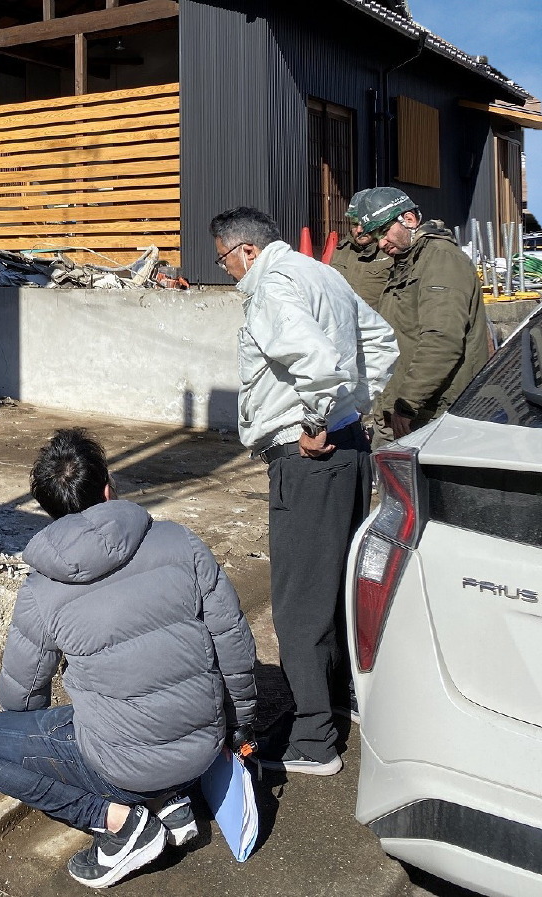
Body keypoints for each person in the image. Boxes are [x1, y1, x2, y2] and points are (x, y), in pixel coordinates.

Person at [0, 428, 257, 889]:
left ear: (50, 511)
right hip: (203, 748)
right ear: (107, 488)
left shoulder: (41, 589)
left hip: (122, 768)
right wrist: (240, 726)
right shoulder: (181, 542)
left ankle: (119, 823)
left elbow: (21, 700)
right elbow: (233, 644)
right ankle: (170, 800)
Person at [210, 207, 397, 776]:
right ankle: (343, 697)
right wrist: (351, 410)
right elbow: (383, 343)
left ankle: (314, 738)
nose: (227, 272)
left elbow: (313, 359)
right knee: (338, 581)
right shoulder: (325, 275)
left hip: (309, 455)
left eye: (223, 260)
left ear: (244, 250)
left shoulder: (273, 284)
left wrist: (317, 418)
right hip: (348, 451)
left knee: (297, 602)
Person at [352, 187, 489, 440]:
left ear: (410, 219)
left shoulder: (440, 260)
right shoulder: (409, 261)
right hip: (404, 408)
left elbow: (442, 340)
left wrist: (408, 403)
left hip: (432, 414)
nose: (381, 244)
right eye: (375, 237)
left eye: (383, 232)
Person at [328, 189, 394, 310]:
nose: (359, 230)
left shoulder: (391, 251)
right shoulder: (342, 250)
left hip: (380, 325)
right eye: (354, 224)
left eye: (365, 224)